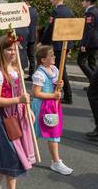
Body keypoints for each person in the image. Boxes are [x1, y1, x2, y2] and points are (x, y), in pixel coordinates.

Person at [0, 35, 35, 189]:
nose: (13, 51)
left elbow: (23, 95)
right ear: (2, 50)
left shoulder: (18, 71)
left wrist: (28, 110)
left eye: (15, 48)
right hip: (5, 117)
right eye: (9, 48)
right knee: (13, 155)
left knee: (19, 153)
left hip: (19, 114)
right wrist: (18, 100)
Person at [31, 45, 73, 175]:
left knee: (54, 133)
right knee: (34, 132)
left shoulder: (54, 69)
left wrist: (60, 85)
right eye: (51, 55)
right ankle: (27, 153)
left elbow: (57, 86)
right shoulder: (39, 74)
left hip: (53, 106)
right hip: (41, 106)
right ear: (43, 60)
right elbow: (35, 93)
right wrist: (52, 95)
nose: (54, 57)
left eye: (54, 55)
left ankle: (56, 162)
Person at [41, 0, 74, 104]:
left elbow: (50, 29)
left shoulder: (55, 12)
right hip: (66, 43)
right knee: (61, 69)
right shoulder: (69, 11)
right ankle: (61, 93)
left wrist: (42, 41)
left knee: (60, 70)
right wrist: (70, 45)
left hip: (58, 45)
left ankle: (67, 95)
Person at [78, 0, 98, 84]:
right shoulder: (95, 11)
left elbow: (88, 30)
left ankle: (94, 83)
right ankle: (93, 84)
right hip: (95, 42)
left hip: (90, 43)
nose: (82, 2)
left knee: (80, 61)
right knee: (91, 63)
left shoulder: (90, 12)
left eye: (83, 1)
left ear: (88, 2)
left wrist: (83, 44)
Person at [21, 0, 39, 80]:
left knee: (23, 54)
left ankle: (21, 72)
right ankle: (32, 74)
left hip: (24, 36)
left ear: (24, 1)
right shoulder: (34, 10)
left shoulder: (23, 10)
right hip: (32, 36)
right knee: (31, 56)